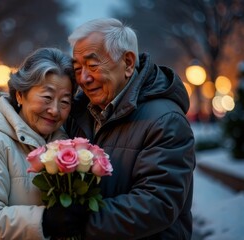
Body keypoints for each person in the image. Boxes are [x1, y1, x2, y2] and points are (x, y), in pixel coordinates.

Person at [64, 18, 196, 239]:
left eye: (93, 65)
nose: (84, 78)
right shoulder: (77, 113)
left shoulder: (166, 120)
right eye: (78, 69)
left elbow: (157, 203)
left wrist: (76, 222)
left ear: (127, 63)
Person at [0, 47, 84, 239]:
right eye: (47, 97)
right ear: (19, 94)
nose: (55, 110)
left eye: (65, 102)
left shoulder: (66, 144)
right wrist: (45, 221)